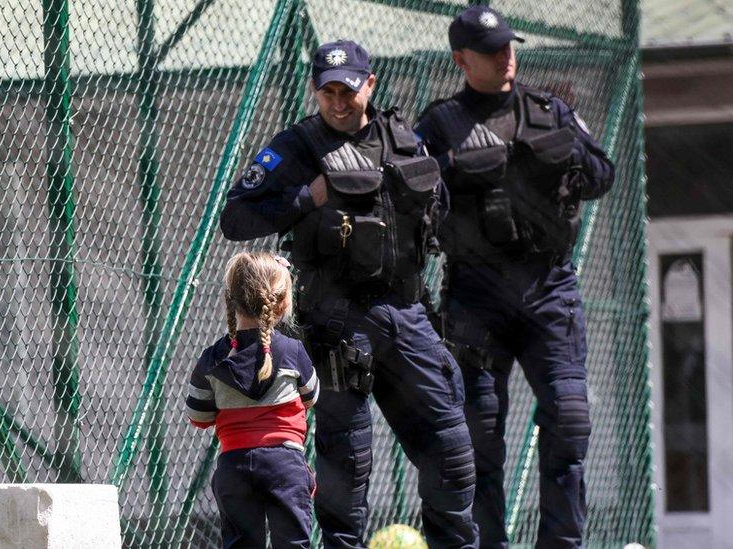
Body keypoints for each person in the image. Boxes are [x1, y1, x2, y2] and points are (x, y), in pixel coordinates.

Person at [220, 40, 480, 548]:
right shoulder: (297, 146)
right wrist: (307, 197)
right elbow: (236, 216)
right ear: (316, 92)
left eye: (349, 90)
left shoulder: (404, 139)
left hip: (408, 314)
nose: (339, 102)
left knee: (451, 449)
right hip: (338, 324)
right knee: (346, 470)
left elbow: (441, 212)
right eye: (328, 92)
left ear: (371, 85)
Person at [414, 6, 615, 548]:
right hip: (475, 297)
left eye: (509, 46)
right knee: (479, 438)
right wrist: (456, 179)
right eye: (491, 50)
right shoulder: (438, 125)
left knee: (570, 421)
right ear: (462, 60)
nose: (506, 56)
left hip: (548, 288)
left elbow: (603, 175)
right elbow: (409, 201)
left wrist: (564, 153)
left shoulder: (550, 110)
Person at [185, 251, 319, 548]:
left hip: (233, 466)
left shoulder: (212, 358)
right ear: (282, 303)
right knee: (294, 542)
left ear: (231, 301)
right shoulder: (292, 351)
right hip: (285, 464)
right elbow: (311, 396)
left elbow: (198, 416)